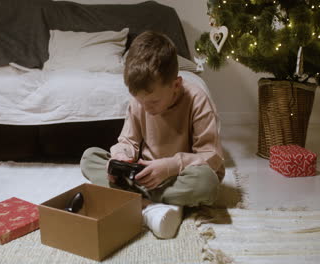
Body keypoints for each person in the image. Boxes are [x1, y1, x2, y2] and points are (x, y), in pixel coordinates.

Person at [80, 31, 225, 239]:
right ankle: (155, 205)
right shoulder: (140, 102)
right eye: (140, 102)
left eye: (154, 102)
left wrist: (170, 166)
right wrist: (120, 158)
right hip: (144, 176)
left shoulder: (197, 100)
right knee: (89, 157)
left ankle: (135, 202)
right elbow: (128, 141)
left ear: (175, 85)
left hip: (178, 176)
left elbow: (212, 156)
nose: (146, 108)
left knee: (207, 182)